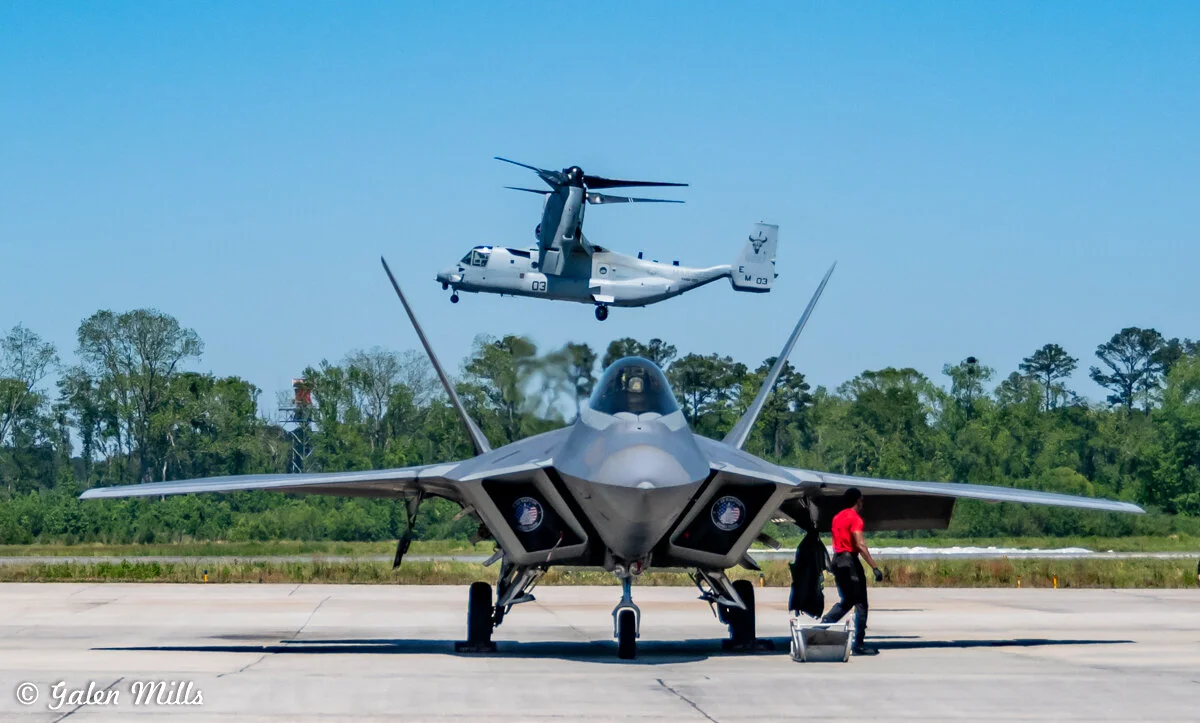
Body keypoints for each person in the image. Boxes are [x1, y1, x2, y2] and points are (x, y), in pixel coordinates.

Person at [820, 487, 883, 656]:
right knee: (861, 602)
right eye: (861, 499)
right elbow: (860, 544)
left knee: (848, 600)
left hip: (838, 561)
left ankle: (822, 626)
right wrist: (874, 567)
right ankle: (859, 645)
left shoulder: (837, 517)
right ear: (858, 501)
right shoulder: (855, 518)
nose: (862, 503)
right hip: (850, 562)